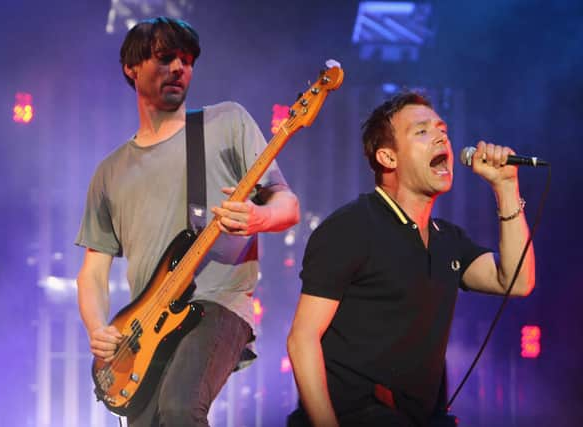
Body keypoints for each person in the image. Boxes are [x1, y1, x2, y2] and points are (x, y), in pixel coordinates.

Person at [75, 17, 299, 427]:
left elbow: (287, 204)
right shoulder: (110, 172)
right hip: (146, 326)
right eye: (165, 58)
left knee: (180, 410)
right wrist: (98, 329)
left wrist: (258, 216)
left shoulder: (225, 122)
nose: (180, 68)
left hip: (216, 301)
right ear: (132, 67)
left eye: (187, 60)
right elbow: (92, 273)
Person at [286, 91, 535, 427]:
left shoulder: (448, 239)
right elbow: (302, 338)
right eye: (422, 131)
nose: (441, 136)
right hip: (358, 414)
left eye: (442, 129)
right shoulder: (351, 227)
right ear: (388, 157)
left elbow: (517, 281)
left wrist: (506, 187)